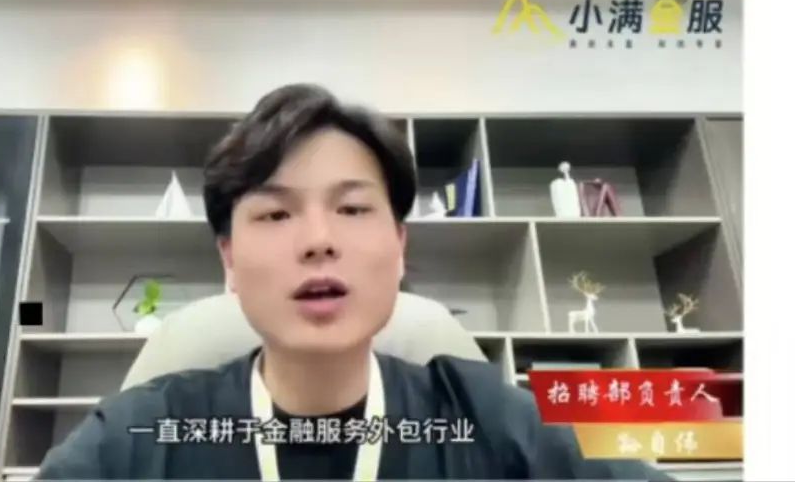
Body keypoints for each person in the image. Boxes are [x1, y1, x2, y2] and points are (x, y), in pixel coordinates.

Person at [36, 83, 672, 480]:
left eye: (352, 208)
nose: (319, 239)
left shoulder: (489, 421)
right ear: (229, 258)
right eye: (276, 214)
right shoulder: (139, 437)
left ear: (399, 247)